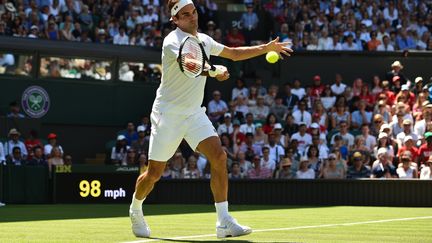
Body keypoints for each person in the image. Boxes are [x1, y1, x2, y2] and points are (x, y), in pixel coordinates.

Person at [129, 0, 292, 239]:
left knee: (219, 156)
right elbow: (190, 64)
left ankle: (223, 220)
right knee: (154, 173)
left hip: (194, 113)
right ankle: (135, 209)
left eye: (193, 12)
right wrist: (215, 70)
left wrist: (266, 47)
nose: (192, 17)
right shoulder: (171, 41)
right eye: (185, 15)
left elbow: (234, 54)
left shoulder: (204, 40)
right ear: (175, 20)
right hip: (168, 114)